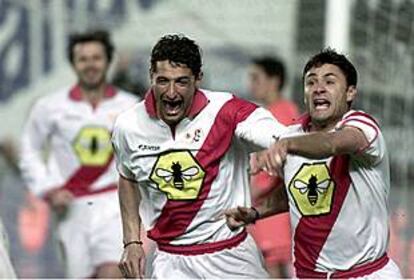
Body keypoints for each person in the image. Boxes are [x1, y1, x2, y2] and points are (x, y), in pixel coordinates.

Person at [111, 34, 288, 279]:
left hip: (231, 258)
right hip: (171, 262)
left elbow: (282, 139)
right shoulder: (128, 126)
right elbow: (127, 178)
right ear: (151, 76)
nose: (171, 93)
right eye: (163, 81)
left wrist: (278, 146)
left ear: (198, 79)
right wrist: (132, 242)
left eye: (182, 82)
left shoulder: (228, 111)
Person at [225, 49, 402, 278]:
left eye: (329, 81)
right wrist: (255, 212)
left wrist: (287, 145)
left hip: (365, 274)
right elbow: (291, 191)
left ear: (350, 92)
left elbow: (332, 144)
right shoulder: (293, 133)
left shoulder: (362, 127)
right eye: (311, 82)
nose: (318, 88)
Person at [19, 30, 138, 278]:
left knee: (113, 271)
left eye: (96, 58)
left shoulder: (131, 106)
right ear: (74, 63)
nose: (90, 65)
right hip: (71, 208)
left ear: (108, 60)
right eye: (83, 59)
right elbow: (29, 150)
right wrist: (49, 189)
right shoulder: (50, 107)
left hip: (114, 204)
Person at [247, 56, 299, 278]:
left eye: (256, 78)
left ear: (274, 80)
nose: (251, 84)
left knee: (273, 270)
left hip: (272, 208)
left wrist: (254, 192)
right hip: (265, 207)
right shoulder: (267, 113)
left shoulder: (283, 113)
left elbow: (282, 162)